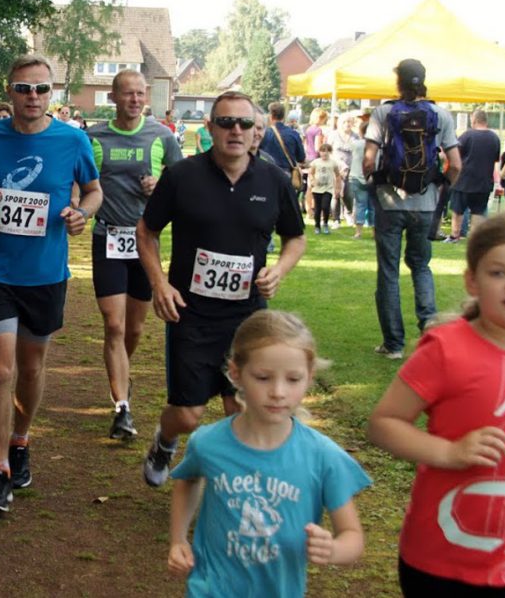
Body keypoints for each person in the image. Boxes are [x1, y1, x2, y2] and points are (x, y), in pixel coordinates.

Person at [367, 210, 505, 596]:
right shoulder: (446, 350)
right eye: (498, 272)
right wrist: (449, 452)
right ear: (473, 281)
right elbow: (383, 424)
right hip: (444, 564)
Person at [137, 91, 306, 488]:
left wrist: (280, 268)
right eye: (226, 122)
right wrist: (159, 283)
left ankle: (229, 489)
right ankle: (165, 439)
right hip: (190, 312)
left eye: (244, 124)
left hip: (246, 316)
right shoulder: (182, 176)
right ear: (210, 129)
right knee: (189, 414)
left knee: (241, 408)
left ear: (255, 134)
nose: (235, 130)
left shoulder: (274, 181)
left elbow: (295, 238)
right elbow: (147, 231)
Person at [0, 54, 101, 512]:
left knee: (32, 368)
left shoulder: (72, 140)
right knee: (1, 370)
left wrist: (83, 213)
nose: (33, 97)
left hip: (45, 272)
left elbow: (94, 190)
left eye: (41, 89)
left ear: (52, 93)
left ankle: (20, 440)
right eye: (24, 89)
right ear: (9, 92)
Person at [168, 310, 370, 597]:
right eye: (263, 377)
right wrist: (178, 540)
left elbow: (353, 536)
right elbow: (187, 480)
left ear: (309, 378)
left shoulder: (322, 455)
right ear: (236, 373)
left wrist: (334, 549)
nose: (278, 391)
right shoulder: (208, 443)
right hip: (211, 589)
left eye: (293, 379)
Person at [88, 70, 181, 439]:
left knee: (135, 328)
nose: (136, 100)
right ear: (113, 97)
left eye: (141, 94)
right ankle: (121, 407)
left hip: (146, 241)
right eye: (128, 94)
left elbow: (183, 183)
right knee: (113, 324)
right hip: (107, 237)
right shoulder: (94, 137)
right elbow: (83, 181)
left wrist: (162, 187)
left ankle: (121, 375)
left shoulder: (161, 136)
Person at [363, 59, 461, 361]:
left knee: (389, 272)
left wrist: (376, 183)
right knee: (421, 266)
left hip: (390, 203)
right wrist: (440, 185)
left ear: (398, 83)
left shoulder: (383, 113)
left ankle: (393, 344)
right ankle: (429, 331)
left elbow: (368, 160)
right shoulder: (441, 115)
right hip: (425, 203)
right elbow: (456, 164)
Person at [447, 109, 501, 242]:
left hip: (464, 180)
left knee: (458, 210)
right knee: (478, 211)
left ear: (474, 120)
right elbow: (496, 159)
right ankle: (475, 237)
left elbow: (456, 155)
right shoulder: (494, 138)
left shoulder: (466, 136)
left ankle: (455, 235)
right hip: (484, 181)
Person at [307, 143, 342, 235]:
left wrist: (338, 188)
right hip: (317, 188)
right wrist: (312, 180)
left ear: (329, 152)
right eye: (322, 151)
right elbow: (310, 173)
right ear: (320, 152)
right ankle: (317, 226)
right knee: (317, 208)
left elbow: (338, 175)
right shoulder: (315, 162)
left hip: (328, 188)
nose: (324, 153)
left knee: (325, 206)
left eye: (326, 151)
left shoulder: (333, 163)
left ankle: (325, 224)